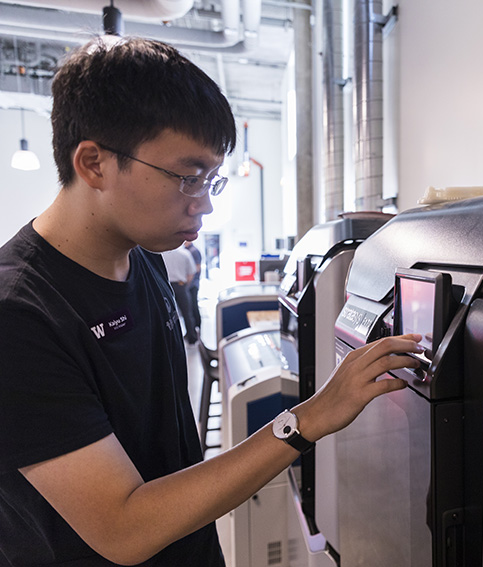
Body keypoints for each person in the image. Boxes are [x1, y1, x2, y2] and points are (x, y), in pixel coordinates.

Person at [0, 37, 421, 566]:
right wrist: (309, 418)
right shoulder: (20, 314)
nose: (202, 204)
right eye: (187, 177)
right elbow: (124, 527)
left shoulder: (144, 255)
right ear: (94, 163)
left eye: (210, 180)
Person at [162, 245, 199, 344]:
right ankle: (192, 338)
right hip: (181, 285)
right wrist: (185, 285)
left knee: (168, 315)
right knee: (187, 313)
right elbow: (191, 273)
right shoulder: (185, 253)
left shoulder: (162, 254)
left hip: (166, 287)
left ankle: (172, 341)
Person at [183, 240, 203, 336]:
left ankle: (198, 329)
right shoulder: (187, 251)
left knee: (193, 306)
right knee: (190, 307)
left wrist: (188, 281)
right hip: (190, 283)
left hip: (193, 283)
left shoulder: (193, 251)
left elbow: (197, 268)